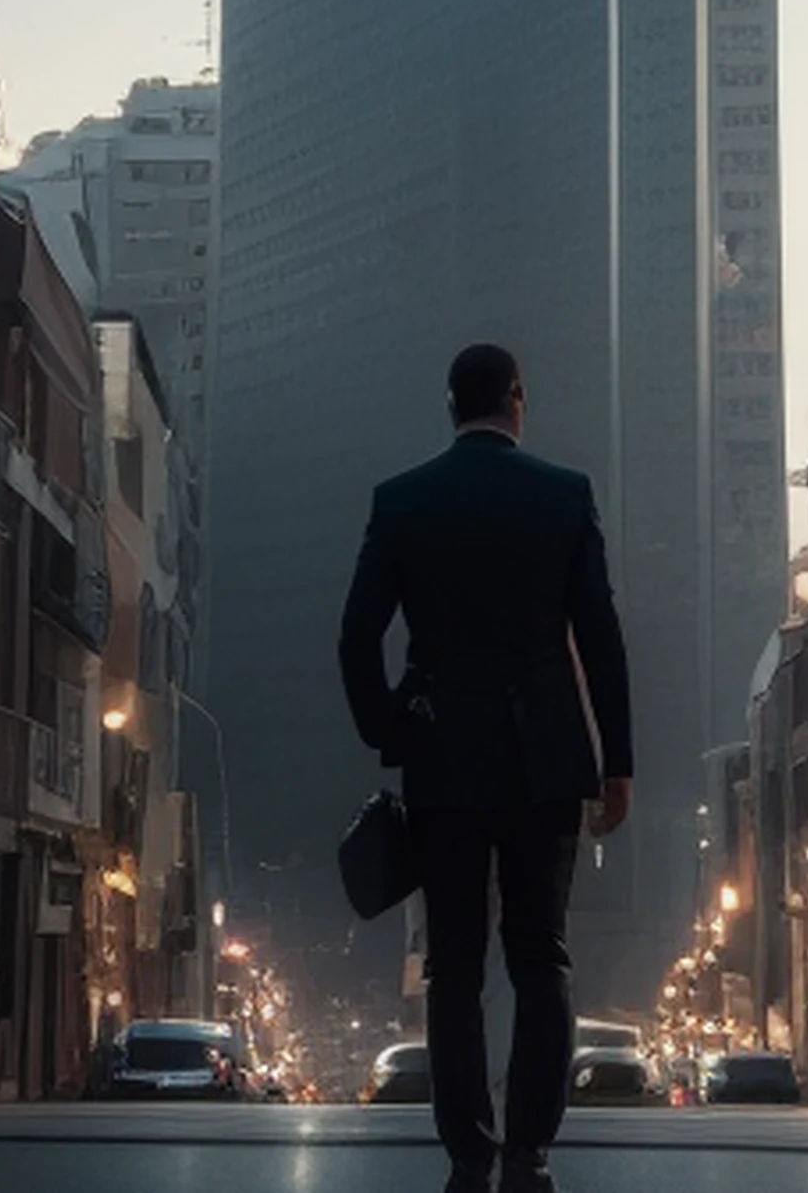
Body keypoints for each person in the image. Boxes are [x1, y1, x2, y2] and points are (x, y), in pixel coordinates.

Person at [338, 343, 635, 1193]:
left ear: (449, 406)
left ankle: (468, 1150)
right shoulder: (563, 495)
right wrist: (616, 763)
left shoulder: (401, 501)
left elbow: (356, 636)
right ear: (517, 400)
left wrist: (390, 728)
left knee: (454, 964)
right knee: (541, 953)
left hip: (444, 758)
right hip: (546, 755)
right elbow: (600, 639)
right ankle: (529, 1148)